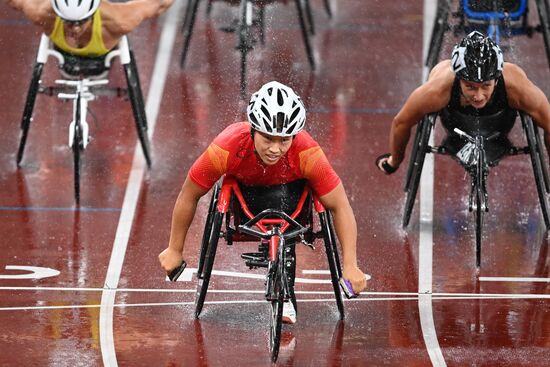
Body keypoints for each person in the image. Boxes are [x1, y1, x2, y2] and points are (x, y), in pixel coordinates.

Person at [159, 81, 368, 323]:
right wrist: (175, 249)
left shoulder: (307, 152)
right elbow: (189, 194)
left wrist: (351, 264)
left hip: (291, 205)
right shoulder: (227, 146)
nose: (275, 149)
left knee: (296, 205)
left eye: (284, 140)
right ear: (253, 130)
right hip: (245, 201)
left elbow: (339, 205)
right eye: (268, 138)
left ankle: (286, 289)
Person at [376, 30, 550, 174]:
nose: (479, 95)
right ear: (458, 80)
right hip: (455, 129)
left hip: (499, 128)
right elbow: (401, 122)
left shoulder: (517, 87)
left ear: (496, 80)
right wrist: (394, 161)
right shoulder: (439, 89)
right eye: (470, 87)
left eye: (485, 86)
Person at [6, 0, 174, 58]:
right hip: (63, 53)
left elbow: (159, 4)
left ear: (92, 15)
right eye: (68, 22)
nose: (75, 29)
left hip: (104, 53)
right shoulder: (40, 13)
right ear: (58, 15)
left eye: (81, 22)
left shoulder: (120, 20)